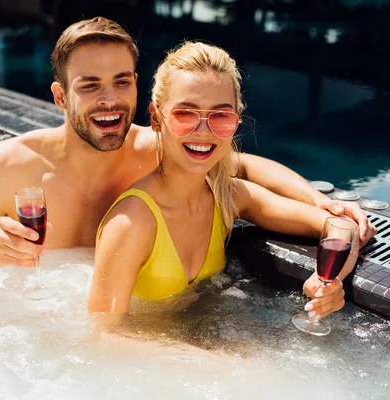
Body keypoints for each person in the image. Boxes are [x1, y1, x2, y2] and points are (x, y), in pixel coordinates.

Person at [0, 17, 374, 293]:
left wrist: (322, 204)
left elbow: (246, 165)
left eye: (122, 81)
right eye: (89, 85)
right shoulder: (8, 167)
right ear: (61, 97)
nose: (110, 99)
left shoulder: (153, 149)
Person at [87, 41, 359, 321]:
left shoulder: (226, 197)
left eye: (220, 116)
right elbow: (105, 340)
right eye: (185, 113)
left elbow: (339, 228)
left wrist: (328, 283)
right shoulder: (131, 223)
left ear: (236, 121)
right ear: (156, 118)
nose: (204, 131)